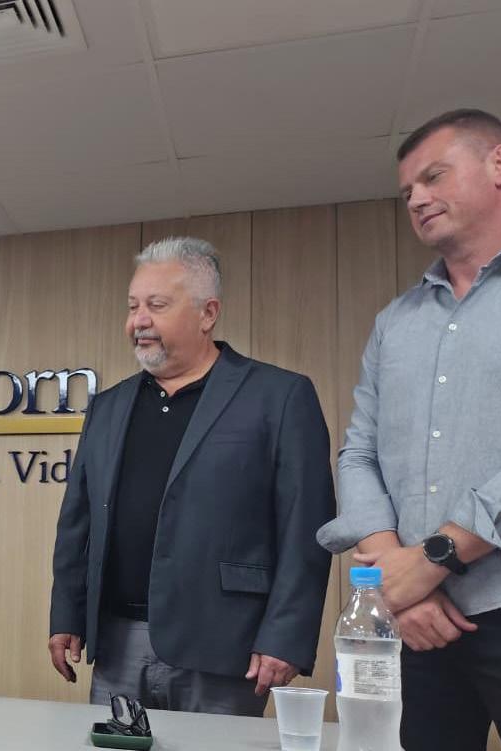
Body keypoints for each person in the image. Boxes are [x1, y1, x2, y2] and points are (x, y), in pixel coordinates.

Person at [49, 237, 335, 716]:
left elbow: (306, 529)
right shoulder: (108, 406)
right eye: (133, 306)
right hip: (116, 642)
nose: (139, 320)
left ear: (208, 313)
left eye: (157, 305)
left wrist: (285, 636)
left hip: (226, 645)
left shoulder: (279, 396)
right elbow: (76, 522)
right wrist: (67, 613)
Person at [317, 108, 501, 750]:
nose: (417, 199)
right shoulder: (394, 323)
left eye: (433, 177)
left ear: (500, 164)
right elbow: (359, 453)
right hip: (415, 624)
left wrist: (434, 559)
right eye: (407, 192)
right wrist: (399, 582)